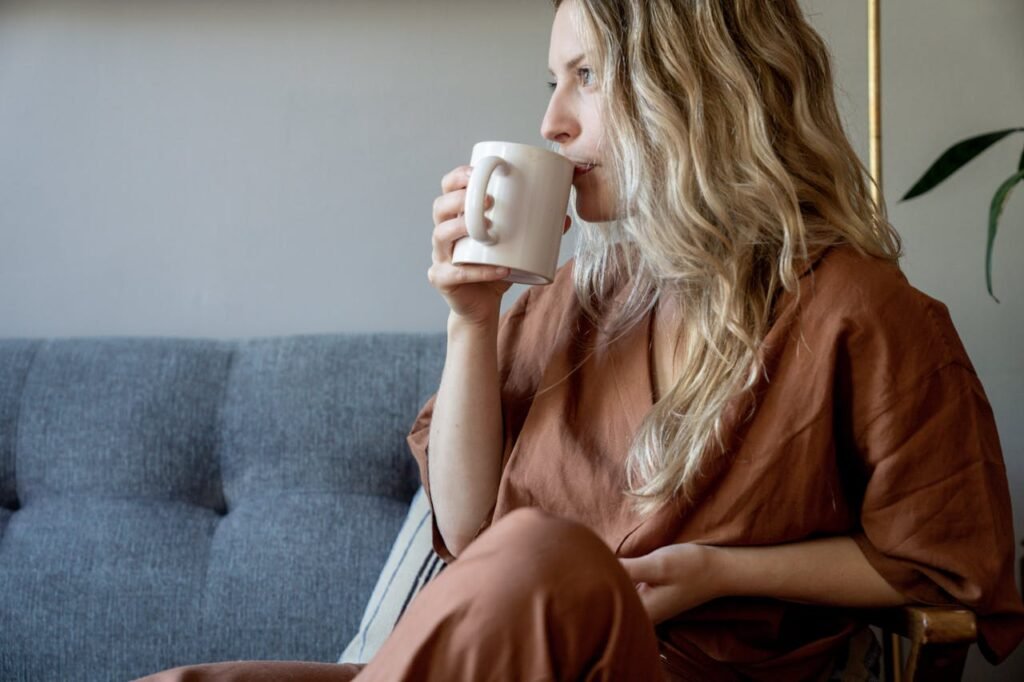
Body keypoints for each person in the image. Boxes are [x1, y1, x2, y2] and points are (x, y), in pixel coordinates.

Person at [139, 1, 1024, 680]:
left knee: (544, 553)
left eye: (588, 75)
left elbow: (935, 564)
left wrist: (717, 571)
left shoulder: (860, 311)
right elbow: (465, 526)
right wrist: (470, 321)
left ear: (700, 85)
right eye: (550, 83)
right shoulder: (579, 298)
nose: (554, 123)